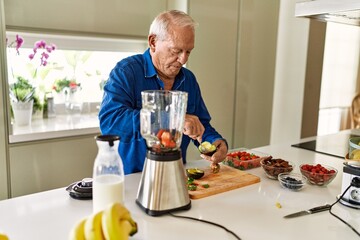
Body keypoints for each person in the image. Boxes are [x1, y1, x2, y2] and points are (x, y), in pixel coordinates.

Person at [99, 10, 228, 174]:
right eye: (176, 51)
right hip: (131, 177)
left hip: (175, 174)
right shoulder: (126, 71)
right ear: (153, 42)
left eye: (188, 51)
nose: (183, 60)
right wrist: (173, 121)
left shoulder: (188, 79)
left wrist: (215, 142)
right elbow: (110, 122)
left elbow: (200, 124)